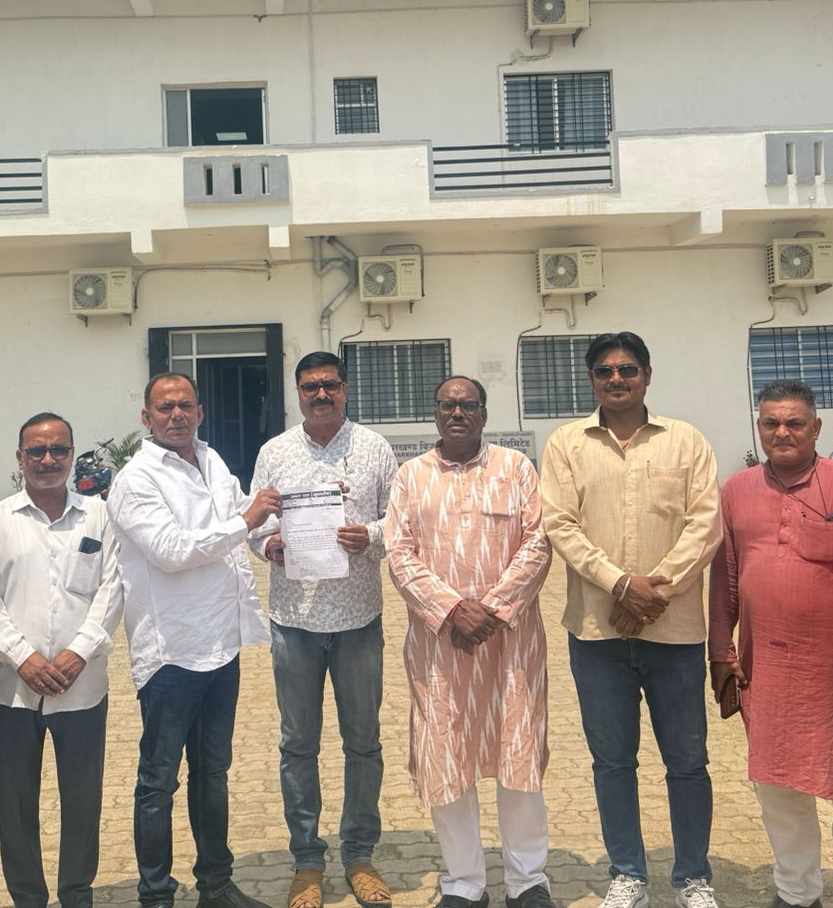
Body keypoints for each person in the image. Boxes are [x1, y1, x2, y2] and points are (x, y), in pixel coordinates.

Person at [540, 332, 722, 908]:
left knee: (687, 762)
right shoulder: (566, 444)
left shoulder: (686, 440)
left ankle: (692, 877)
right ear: (591, 379)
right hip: (597, 632)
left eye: (626, 369)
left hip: (675, 632)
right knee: (613, 762)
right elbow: (559, 523)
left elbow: (706, 525)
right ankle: (628, 874)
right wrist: (620, 584)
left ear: (647, 374)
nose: (616, 379)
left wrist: (652, 591)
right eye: (604, 371)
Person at [709, 380, 833, 908]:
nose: (782, 432)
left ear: (816, 428)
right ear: (759, 428)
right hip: (768, 673)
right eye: (771, 423)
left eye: (794, 423)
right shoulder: (736, 490)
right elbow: (725, 580)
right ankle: (796, 893)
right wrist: (721, 653)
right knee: (778, 792)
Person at [107, 371, 277, 908]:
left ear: (200, 412)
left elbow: (244, 516)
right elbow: (173, 551)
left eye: (185, 405)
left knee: (213, 773)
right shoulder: (136, 479)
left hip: (221, 643)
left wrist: (277, 533)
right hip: (172, 653)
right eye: (165, 408)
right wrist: (248, 519)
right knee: (159, 781)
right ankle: (156, 895)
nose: (176, 415)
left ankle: (216, 887)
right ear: (146, 417)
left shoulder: (212, 459)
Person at [386, 376, 552, 908]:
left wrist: (493, 609)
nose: (457, 413)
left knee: (517, 756)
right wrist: (453, 610)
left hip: (511, 644)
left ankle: (528, 881)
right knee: (446, 758)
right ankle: (463, 882)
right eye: (447, 405)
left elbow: (538, 542)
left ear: (483, 413)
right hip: (440, 646)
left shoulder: (516, 468)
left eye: (467, 405)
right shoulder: (410, 476)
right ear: (435, 413)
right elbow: (399, 553)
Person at [249, 352, 399, 908]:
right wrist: (270, 544)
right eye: (310, 386)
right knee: (298, 745)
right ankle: (307, 861)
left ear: (345, 389)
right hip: (295, 622)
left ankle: (359, 854)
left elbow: (399, 519)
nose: (320, 394)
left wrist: (371, 536)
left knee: (363, 742)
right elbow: (254, 523)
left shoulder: (375, 448)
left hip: (358, 618)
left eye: (330, 385)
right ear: (298, 392)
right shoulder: (275, 452)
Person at [0, 411, 124, 908]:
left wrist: (80, 652)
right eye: (36, 451)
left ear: (72, 454)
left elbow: (113, 589)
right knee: (15, 803)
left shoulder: (100, 516)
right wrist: (23, 658)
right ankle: (28, 898)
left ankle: (77, 893)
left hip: (83, 688)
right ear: (20, 458)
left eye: (58, 449)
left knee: (83, 799)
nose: (48, 459)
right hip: (12, 690)